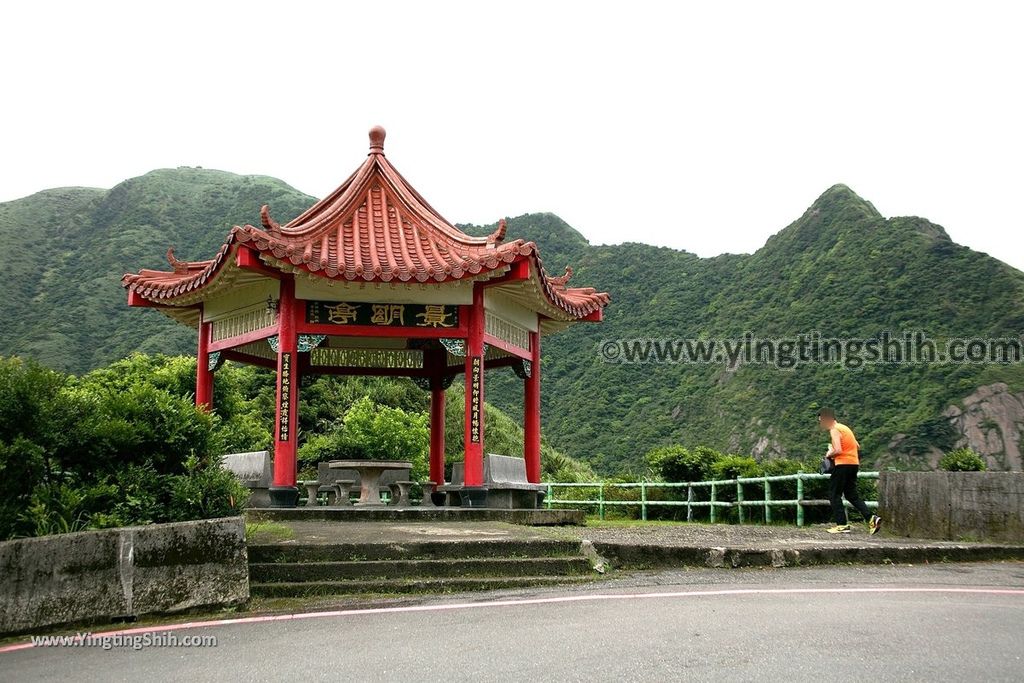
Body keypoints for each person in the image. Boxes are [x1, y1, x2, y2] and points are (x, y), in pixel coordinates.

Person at [817, 407, 882, 534]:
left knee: (834, 494)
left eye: (821, 420)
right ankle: (871, 518)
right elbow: (857, 445)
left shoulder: (834, 430)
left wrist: (828, 454)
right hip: (853, 464)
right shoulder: (845, 428)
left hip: (842, 465)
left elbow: (838, 450)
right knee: (851, 495)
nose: (821, 423)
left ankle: (842, 525)